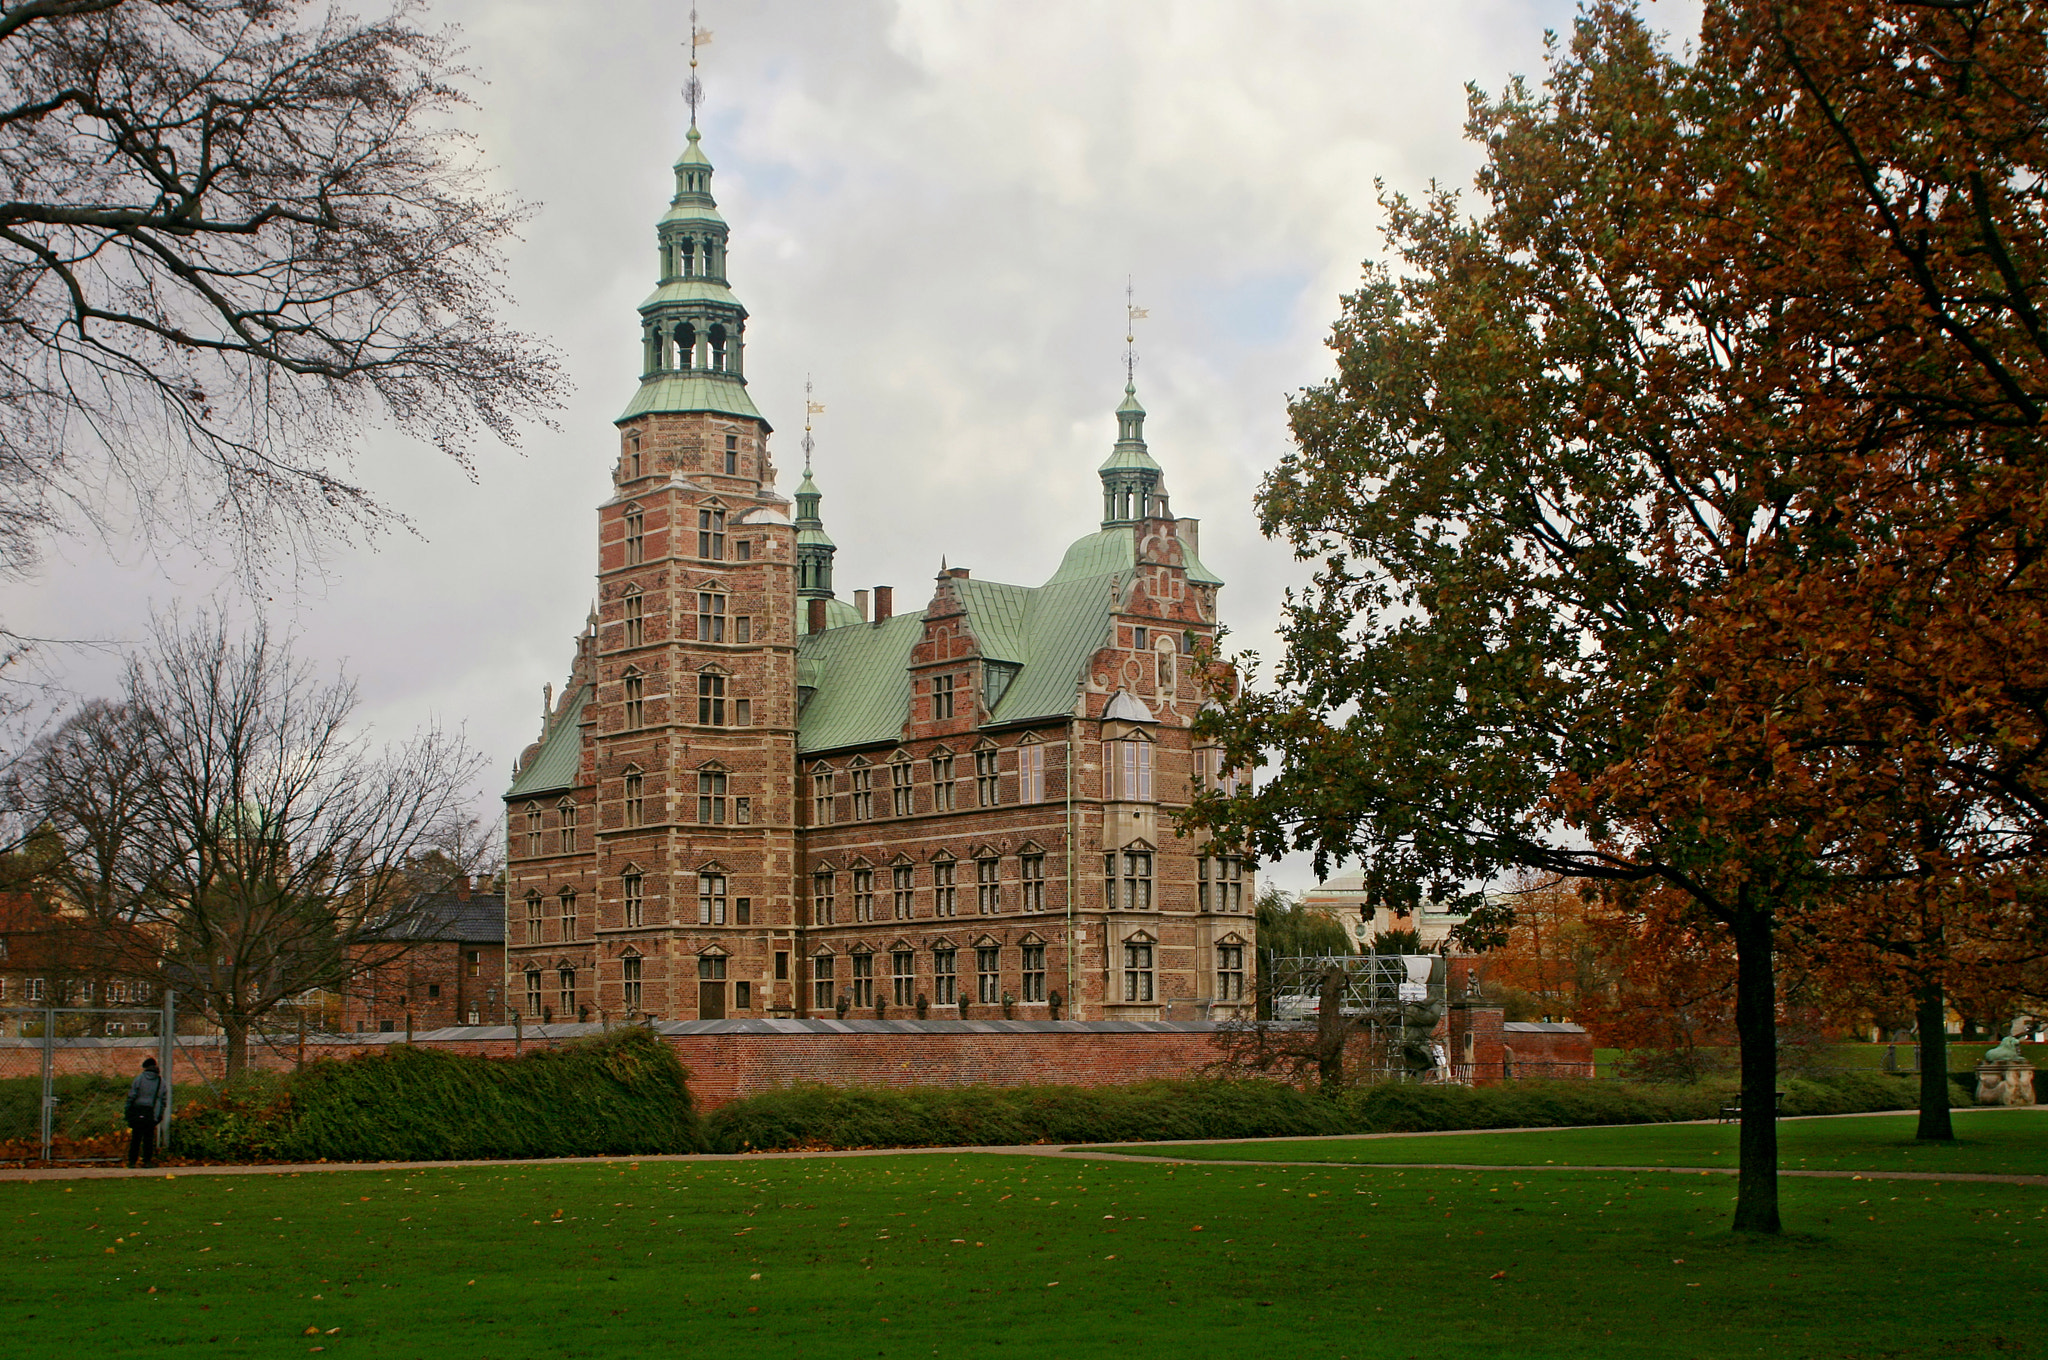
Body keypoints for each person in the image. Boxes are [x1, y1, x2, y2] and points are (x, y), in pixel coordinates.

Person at [124, 1057, 167, 1169]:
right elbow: (163, 1099)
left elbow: (132, 1095)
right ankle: (147, 1161)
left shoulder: (139, 1079)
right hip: (152, 1112)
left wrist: (128, 1110)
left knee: (136, 1137)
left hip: (138, 1110)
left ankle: (132, 1161)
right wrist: (159, 1114)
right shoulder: (161, 1081)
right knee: (149, 1138)